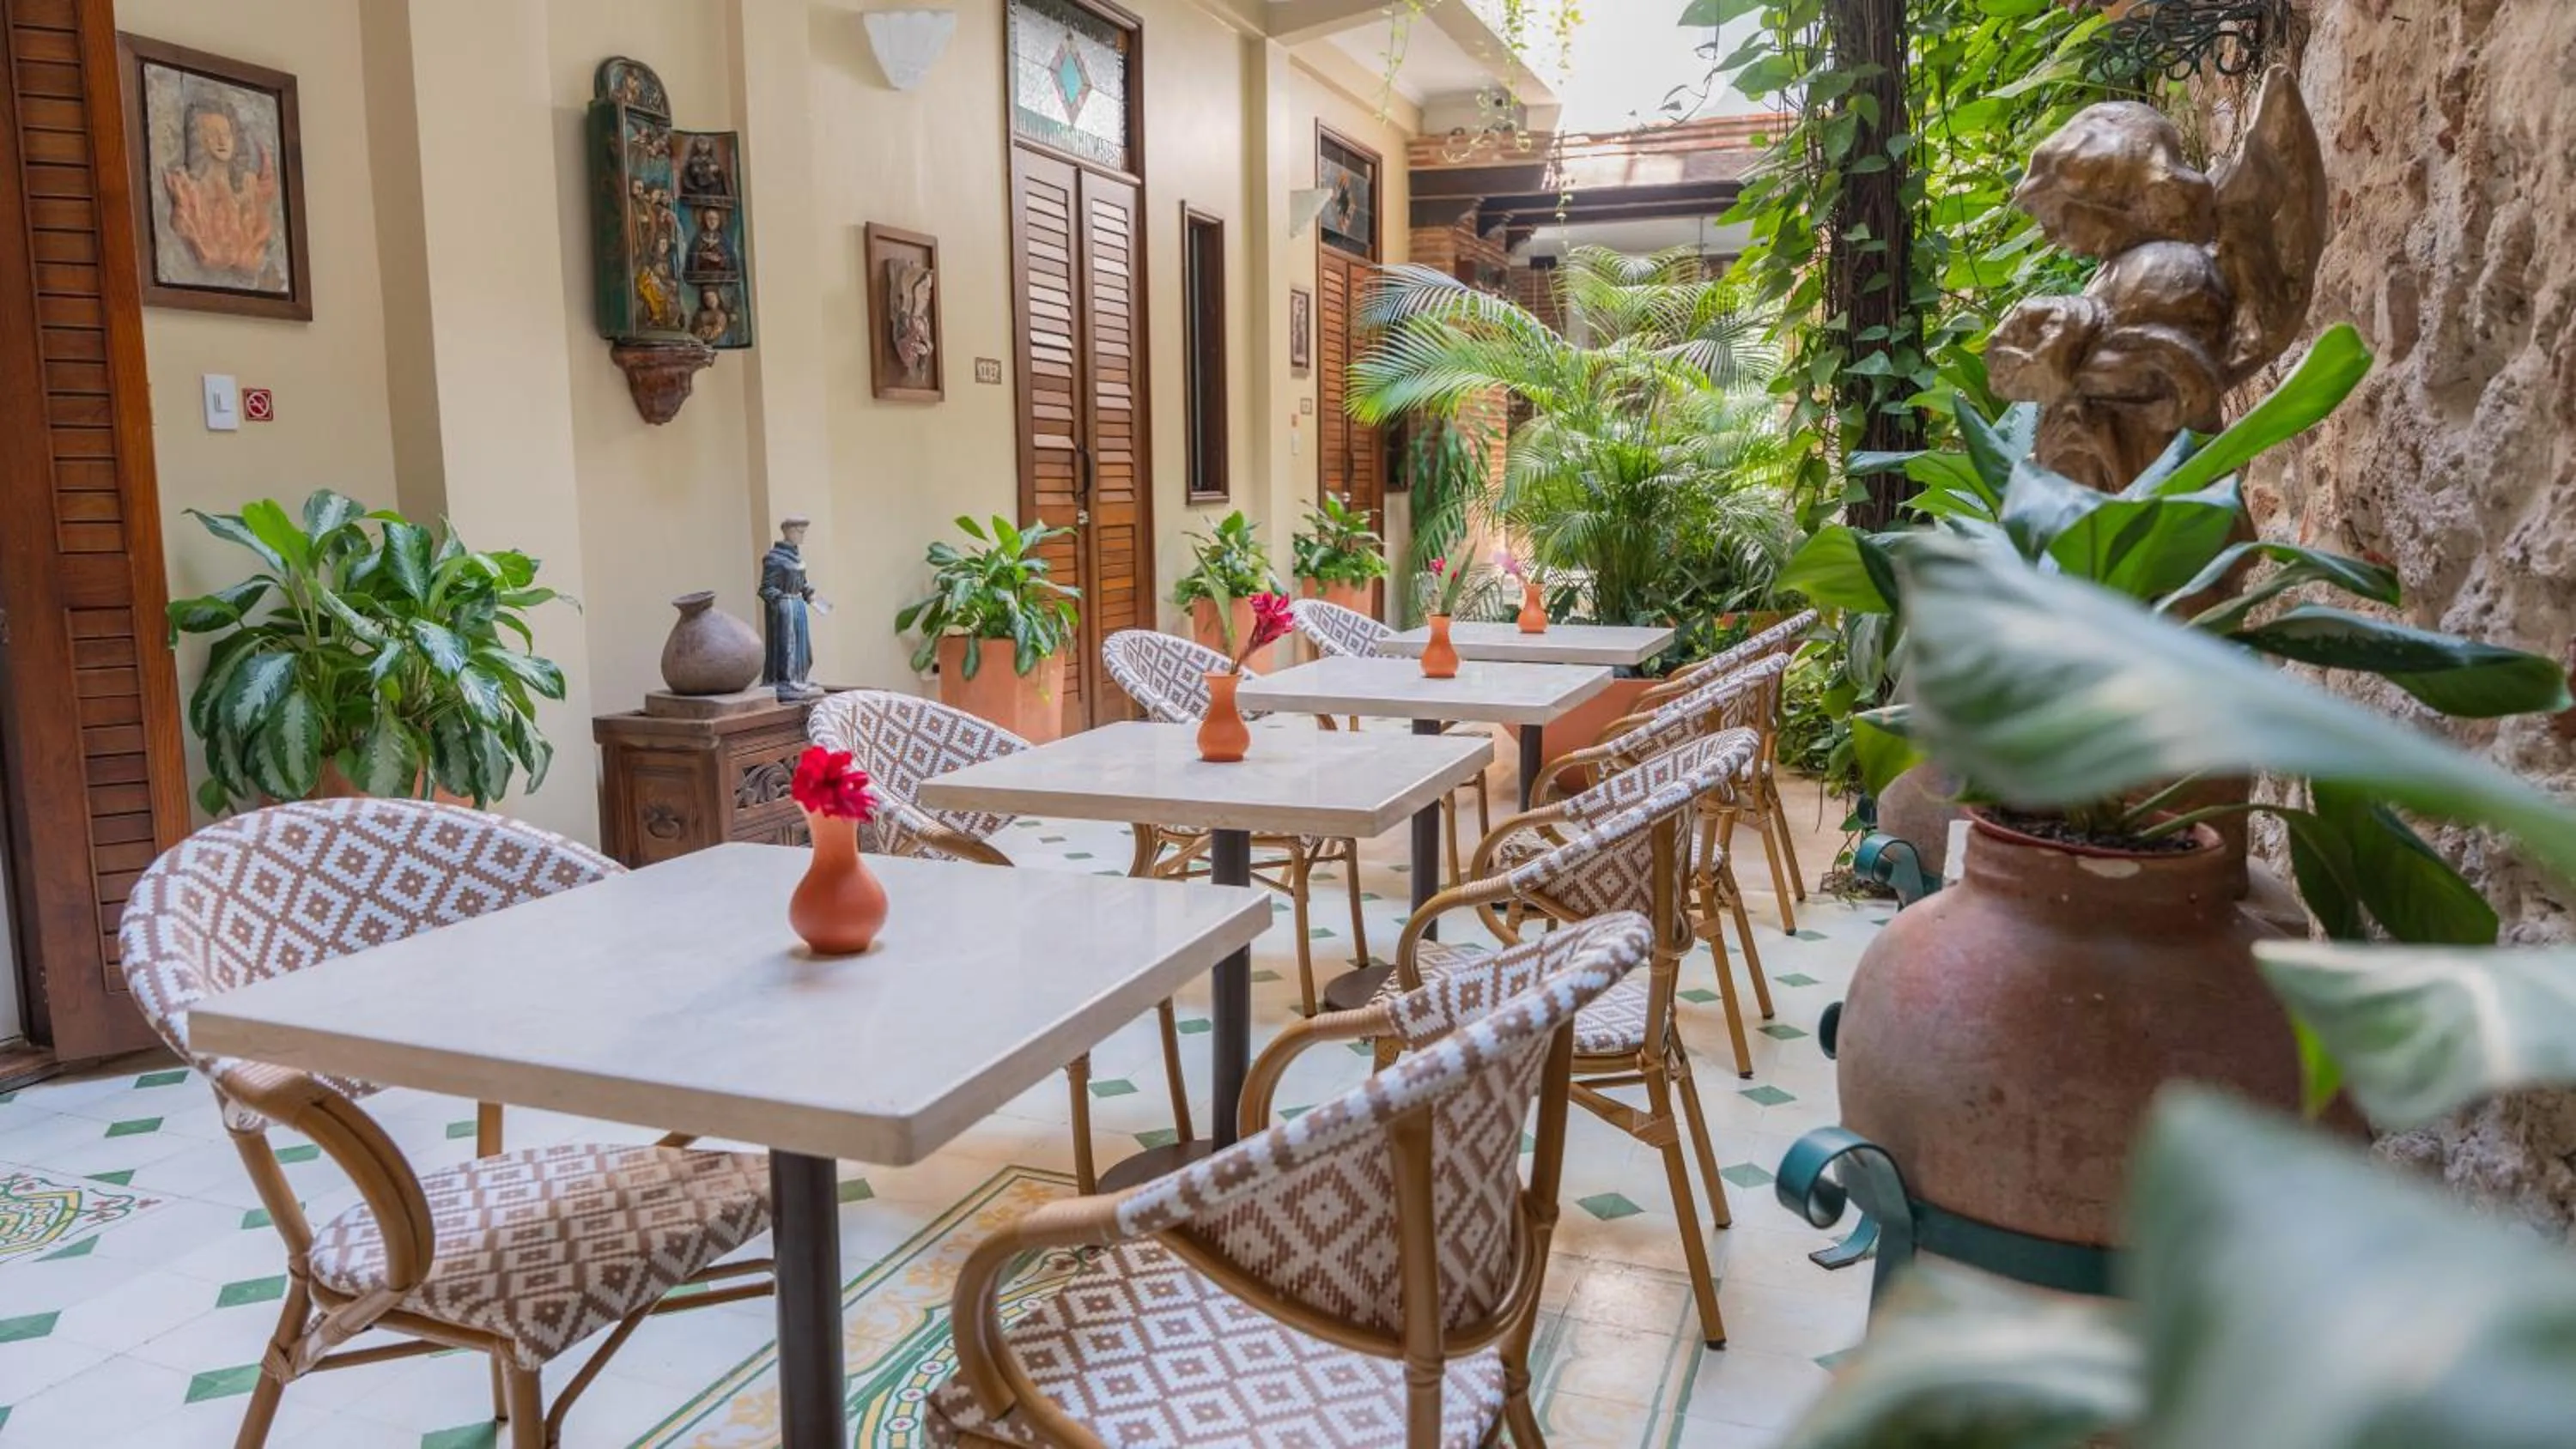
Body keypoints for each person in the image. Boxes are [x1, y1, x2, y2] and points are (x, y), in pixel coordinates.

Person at [161, 93, 281, 284]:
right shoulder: (191, 190)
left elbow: (254, 255)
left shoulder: (249, 188)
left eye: (226, 134)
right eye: (211, 135)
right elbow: (186, 230)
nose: (222, 141)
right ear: (198, 139)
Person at [760, 517, 823, 700]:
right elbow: (766, 588)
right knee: (787, 645)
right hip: (784, 608)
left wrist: (811, 596)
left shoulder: (797, 558)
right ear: (788, 532)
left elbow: (803, 583)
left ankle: (799, 677)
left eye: (804, 532)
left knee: (803, 648)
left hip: (798, 607)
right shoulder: (774, 558)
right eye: (799, 532)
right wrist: (782, 600)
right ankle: (785, 680)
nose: (802, 536)